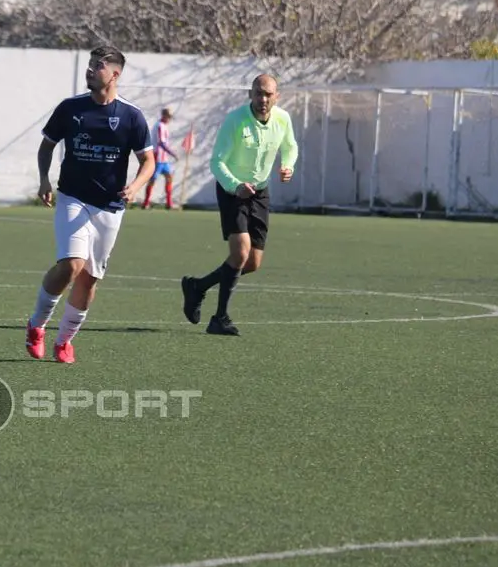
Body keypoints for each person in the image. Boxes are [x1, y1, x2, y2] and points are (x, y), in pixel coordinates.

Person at [26, 46, 154, 364]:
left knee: (89, 278)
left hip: (110, 207)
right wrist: (44, 180)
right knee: (72, 265)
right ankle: (37, 325)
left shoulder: (132, 116)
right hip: (73, 197)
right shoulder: (71, 108)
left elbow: (148, 161)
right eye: (90, 64)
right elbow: (46, 146)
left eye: (98, 66)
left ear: (115, 74)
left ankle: (64, 341)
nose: (90, 70)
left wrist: (135, 186)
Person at [180, 74, 298, 336]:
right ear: (250, 95)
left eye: (268, 94)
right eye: (258, 93)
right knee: (241, 253)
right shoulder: (235, 120)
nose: (263, 99)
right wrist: (235, 186)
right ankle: (220, 318)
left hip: (260, 192)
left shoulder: (282, 119)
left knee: (252, 262)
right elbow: (217, 162)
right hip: (232, 190)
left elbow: (291, 147)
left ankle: (198, 286)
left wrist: (288, 166)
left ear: (276, 96)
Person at [142, 107, 177, 210]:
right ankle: (146, 203)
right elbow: (161, 143)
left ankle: (169, 203)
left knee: (169, 177)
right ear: (164, 115)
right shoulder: (159, 126)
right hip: (157, 157)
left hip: (164, 159)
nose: (169, 119)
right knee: (153, 179)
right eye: (168, 117)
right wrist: (172, 153)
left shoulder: (164, 126)